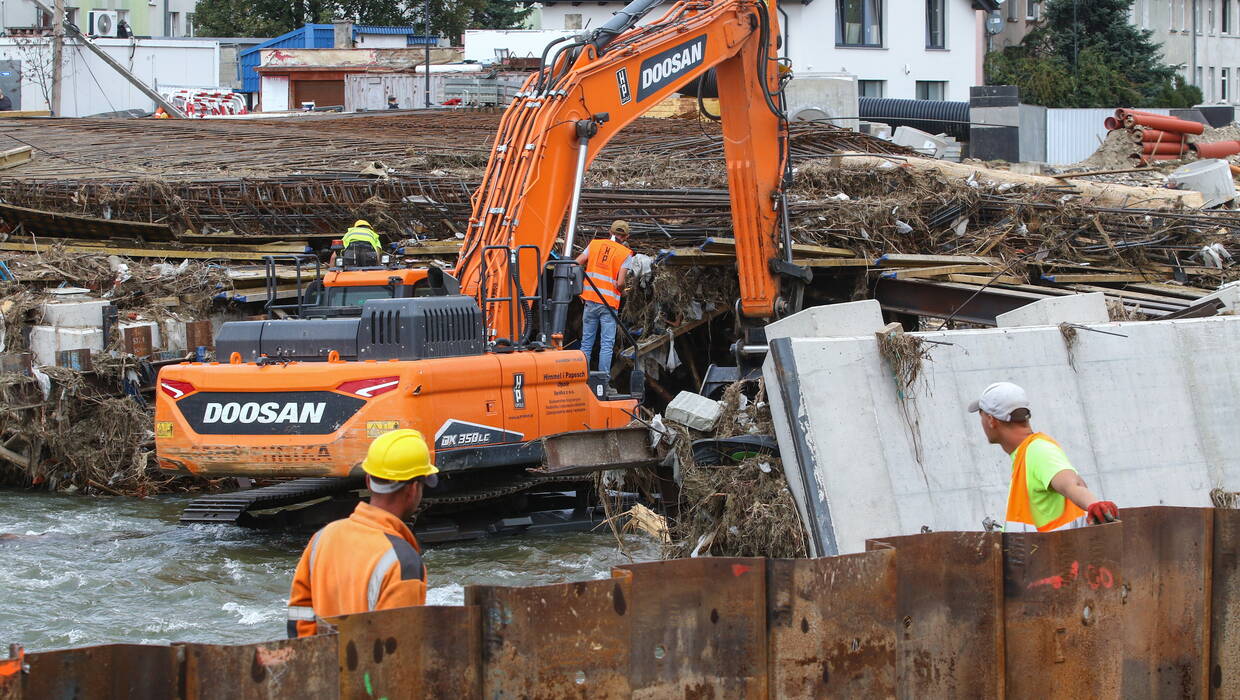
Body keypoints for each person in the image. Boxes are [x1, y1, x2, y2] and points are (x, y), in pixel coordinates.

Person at [287, 429, 438, 637]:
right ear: (413, 489)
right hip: (366, 670)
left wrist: (314, 662)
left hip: (321, 664)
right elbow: (399, 649)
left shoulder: (323, 537)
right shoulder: (403, 561)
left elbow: (299, 615)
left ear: (368, 481)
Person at [970, 382, 1118, 532]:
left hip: (1060, 553)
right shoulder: (1024, 455)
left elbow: (1071, 484)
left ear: (991, 420)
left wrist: (1094, 504)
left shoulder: (1038, 450)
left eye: (981, 416)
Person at [576, 220, 633, 376]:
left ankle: (582, 377)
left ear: (610, 232)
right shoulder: (626, 254)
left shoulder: (594, 245)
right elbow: (620, 282)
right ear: (626, 236)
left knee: (586, 343)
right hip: (608, 305)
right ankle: (603, 380)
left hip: (589, 300)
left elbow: (576, 263)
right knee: (606, 345)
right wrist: (620, 288)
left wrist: (580, 286)